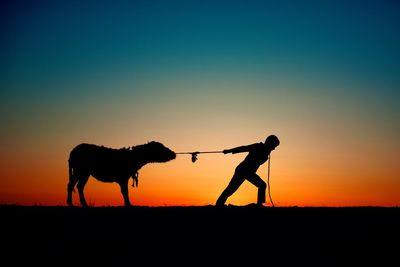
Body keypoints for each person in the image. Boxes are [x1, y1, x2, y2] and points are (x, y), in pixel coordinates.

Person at [216, 134, 280, 207]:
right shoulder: (257, 146)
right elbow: (243, 148)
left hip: (249, 172)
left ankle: (259, 204)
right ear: (270, 143)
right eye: (274, 146)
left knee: (262, 185)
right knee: (231, 189)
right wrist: (229, 151)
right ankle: (219, 204)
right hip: (242, 170)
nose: (274, 148)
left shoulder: (266, 152)